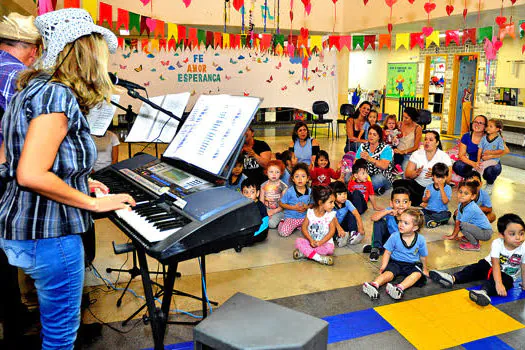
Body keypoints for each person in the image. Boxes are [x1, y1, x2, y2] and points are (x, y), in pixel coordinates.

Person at [0, 9, 136, 349]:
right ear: (85, 50)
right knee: (60, 338)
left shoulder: (29, 88)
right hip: (51, 233)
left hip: (21, 226)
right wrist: (93, 202)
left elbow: (9, 157)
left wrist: (78, 181)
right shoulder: (58, 94)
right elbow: (30, 173)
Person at [0, 12, 41, 349]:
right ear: (27, 47)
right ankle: (15, 326)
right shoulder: (13, 75)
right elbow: (32, 131)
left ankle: (13, 313)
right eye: (35, 48)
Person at [430, 213, 525, 307]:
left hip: (506, 274)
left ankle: (483, 292)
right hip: (489, 266)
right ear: (501, 235)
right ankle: (452, 278)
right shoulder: (497, 243)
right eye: (512, 234)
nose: (518, 237)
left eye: (521, 233)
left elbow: (524, 267)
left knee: (507, 282)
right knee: (475, 268)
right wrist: (498, 283)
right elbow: (495, 264)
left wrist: (524, 283)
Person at [362, 209, 428, 300]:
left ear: (415, 228)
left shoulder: (420, 240)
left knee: (417, 274)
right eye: (400, 221)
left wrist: (425, 269)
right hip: (395, 262)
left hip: (412, 264)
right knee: (388, 273)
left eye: (406, 223)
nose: (401, 224)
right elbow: (387, 252)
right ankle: (374, 284)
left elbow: (423, 256)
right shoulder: (394, 236)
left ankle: (399, 288)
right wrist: (384, 266)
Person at [393, 130, 452, 206]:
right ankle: (423, 202)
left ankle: (420, 202)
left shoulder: (444, 156)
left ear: (437, 143)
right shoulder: (417, 153)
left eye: (430, 140)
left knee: (442, 192)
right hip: (418, 185)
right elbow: (407, 174)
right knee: (397, 183)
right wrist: (415, 173)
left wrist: (435, 175)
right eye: (425, 139)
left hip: (435, 188)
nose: (427, 142)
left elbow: (448, 179)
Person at [363, 187, 412, 262]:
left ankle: (382, 249)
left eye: (405, 202)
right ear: (391, 203)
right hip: (388, 239)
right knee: (379, 221)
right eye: (397, 202)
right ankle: (376, 248)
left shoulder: (412, 215)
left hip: (402, 243)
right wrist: (386, 212)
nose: (401, 205)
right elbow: (373, 218)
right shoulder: (390, 210)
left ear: (409, 204)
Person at [292, 186, 336, 266]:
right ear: (320, 203)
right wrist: (310, 240)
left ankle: (305, 254)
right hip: (311, 242)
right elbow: (304, 228)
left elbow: (332, 231)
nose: (333, 205)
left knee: (330, 249)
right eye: (331, 202)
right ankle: (319, 258)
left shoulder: (330, 215)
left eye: (333, 202)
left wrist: (321, 242)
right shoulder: (310, 213)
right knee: (299, 242)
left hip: (324, 243)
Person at [444, 181, 492, 251]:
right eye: (460, 192)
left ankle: (475, 245)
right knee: (461, 224)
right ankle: (470, 238)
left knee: (462, 225)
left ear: (473, 196)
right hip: (479, 230)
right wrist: (454, 235)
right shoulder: (461, 204)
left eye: (466, 193)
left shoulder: (471, 208)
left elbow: (460, 224)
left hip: (485, 233)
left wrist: (454, 235)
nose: (462, 195)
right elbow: (457, 219)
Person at [355, 124, 395, 195]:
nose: (371, 136)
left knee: (376, 180)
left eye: (374, 134)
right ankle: (364, 190)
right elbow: (355, 162)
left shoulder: (386, 148)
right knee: (348, 176)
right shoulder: (363, 146)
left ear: (379, 137)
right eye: (370, 134)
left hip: (382, 174)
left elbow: (384, 166)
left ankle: (360, 190)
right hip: (366, 174)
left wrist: (369, 158)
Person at [278, 163, 312, 237]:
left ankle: (299, 226)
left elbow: (312, 204)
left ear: (307, 178)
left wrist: (306, 207)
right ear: (293, 179)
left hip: (304, 218)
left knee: (313, 231)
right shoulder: (290, 191)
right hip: (291, 217)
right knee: (284, 233)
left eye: (303, 176)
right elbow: (281, 203)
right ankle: (282, 222)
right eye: (297, 176)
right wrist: (294, 208)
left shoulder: (310, 191)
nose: (300, 179)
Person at [330, 181, 365, 247]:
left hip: (342, 224)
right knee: (330, 228)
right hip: (333, 225)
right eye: (340, 194)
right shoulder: (331, 204)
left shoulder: (347, 202)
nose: (343, 196)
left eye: (345, 193)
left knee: (351, 215)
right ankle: (339, 237)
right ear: (333, 195)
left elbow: (356, 214)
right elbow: (333, 218)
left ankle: (353, 234)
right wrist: (339, 229)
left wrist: (361, 227)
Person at [452, 115, 488, 179]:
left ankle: (489, 182)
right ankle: (471, 179)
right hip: (471, 162)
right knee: (458, 165)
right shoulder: (466, 136)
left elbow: (503, 151)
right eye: (475, 122)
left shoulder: (489, 137)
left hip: (486, 162)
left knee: (494, 168)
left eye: (480, 123)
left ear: (485, 127)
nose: (477, 124)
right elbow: (461, 155)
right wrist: (473, 164)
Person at [476, 119, 506, 194]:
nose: (488, 128)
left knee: (481, 168)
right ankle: (477, 181)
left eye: (491, 126)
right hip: (484, 159)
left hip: (494, 160)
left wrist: (490, 153)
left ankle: (488, 184)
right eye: (487, 126)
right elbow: (480, 150)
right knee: (480, 165)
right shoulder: (484, 138)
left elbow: (501, 150)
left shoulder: (499, 139)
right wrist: (478, 160)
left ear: (497, 129)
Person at [421, 162, 452, 228]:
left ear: (446, 177)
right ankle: (432, 221)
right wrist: (427, 197)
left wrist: (441, 189)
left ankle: (429, 220)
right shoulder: (429, 187)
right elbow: (424, 200)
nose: (440, 180)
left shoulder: (447, 188)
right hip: (428, 210)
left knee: (447, 215)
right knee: (418, 212)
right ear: (433, 176)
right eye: (438, 177)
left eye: (442, 177)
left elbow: (445, 201)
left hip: (440, 212)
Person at [260, 160, 288, 229]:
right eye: (271, 172)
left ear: (281, 173)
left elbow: (284, 205)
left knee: (271, 224)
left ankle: (282, 220)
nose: (274, 174)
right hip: (266, 209)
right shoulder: (263, 186)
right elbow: (261, 202)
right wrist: (266, 212)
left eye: (277, 172)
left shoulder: (283, 186)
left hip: (279, 210)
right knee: (256, 220)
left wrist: (273, 212)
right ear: (266, 172)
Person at [241, 178, 269, 244]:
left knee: (247, 239)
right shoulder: (241, 205)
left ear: (257, 193)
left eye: (252, 192)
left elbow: (265, 223)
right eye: (246, 192)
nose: (249, 195)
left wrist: (254, 234)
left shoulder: (260, 206)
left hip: (260, 231)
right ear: (241, 193)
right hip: (249, 228)